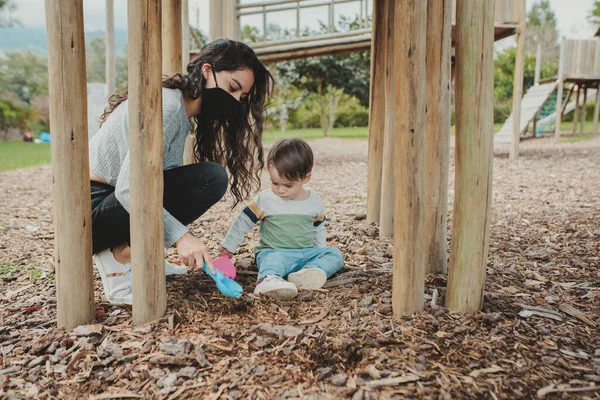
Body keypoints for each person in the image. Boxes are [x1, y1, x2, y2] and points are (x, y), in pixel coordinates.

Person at [89, 39, 274, 305]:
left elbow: (160, 182)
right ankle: (118, 255)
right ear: (207, 71)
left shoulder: (180, 112)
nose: (235, 101)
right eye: (233, 87)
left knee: (205, 177)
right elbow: (130, 189)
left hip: (111, 204)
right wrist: (181, 238)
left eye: (242, 97)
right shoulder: (167, 106)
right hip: (91, 213)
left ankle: (134, 250)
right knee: (210, 178)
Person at [220, 138, 344, 300]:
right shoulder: (265, 200)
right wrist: (228, 246)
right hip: (274, 251)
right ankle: (268, 279)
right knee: (273, 260)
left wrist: (318, 251)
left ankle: (309, 272)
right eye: (275, 183)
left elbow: (318, 229)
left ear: (306, 178)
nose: (280, 190)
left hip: (305, 254)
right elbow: (243, 222)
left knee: (335, 254)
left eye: (288, 185)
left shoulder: (314, 202)